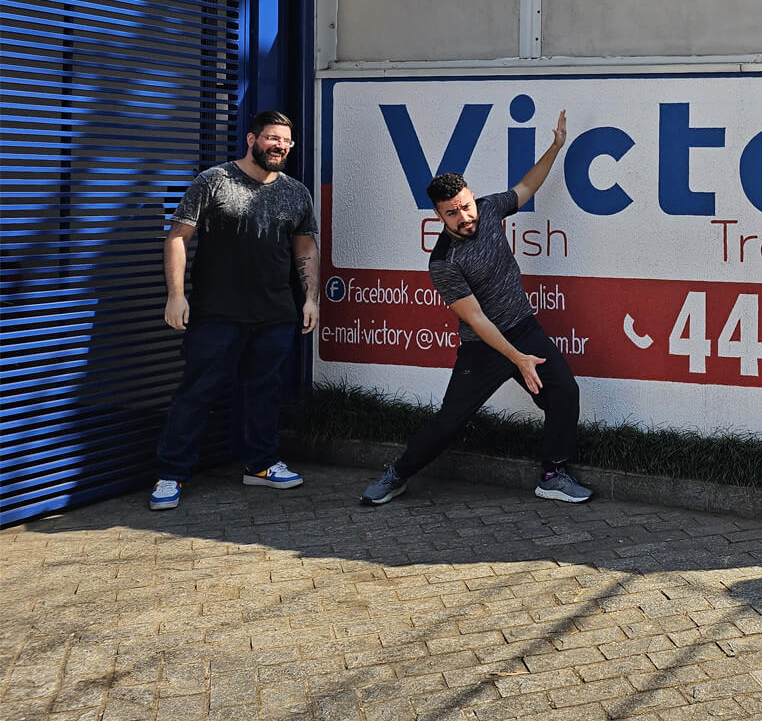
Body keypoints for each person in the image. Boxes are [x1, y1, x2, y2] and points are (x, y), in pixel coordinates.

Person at [361, 110, 591, 506]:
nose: (465, 217)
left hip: (523, 327)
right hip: (483, 347)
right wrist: (518, 359)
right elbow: (477, 319)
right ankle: (397, 474)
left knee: (564, 393)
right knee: (450, 422)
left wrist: (556, 147)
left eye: (466, 206)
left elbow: (524, 187)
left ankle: (552, 474)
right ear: (438, 214)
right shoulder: (443, 262)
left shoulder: (488, 209)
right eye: (453, 212)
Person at [149, 111, 318, 510]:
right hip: (216, 313)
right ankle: (170, 474)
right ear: (251, 139)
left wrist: (310, 299)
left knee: (264, 392)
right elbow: (178, 237)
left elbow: (305, 246)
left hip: (275, 312)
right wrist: (176, 295)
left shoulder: (296, 192)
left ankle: (260, 465)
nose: (280, 146)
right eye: (272, 139)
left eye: (286, 141)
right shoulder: (213, 182)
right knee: (196, 392)